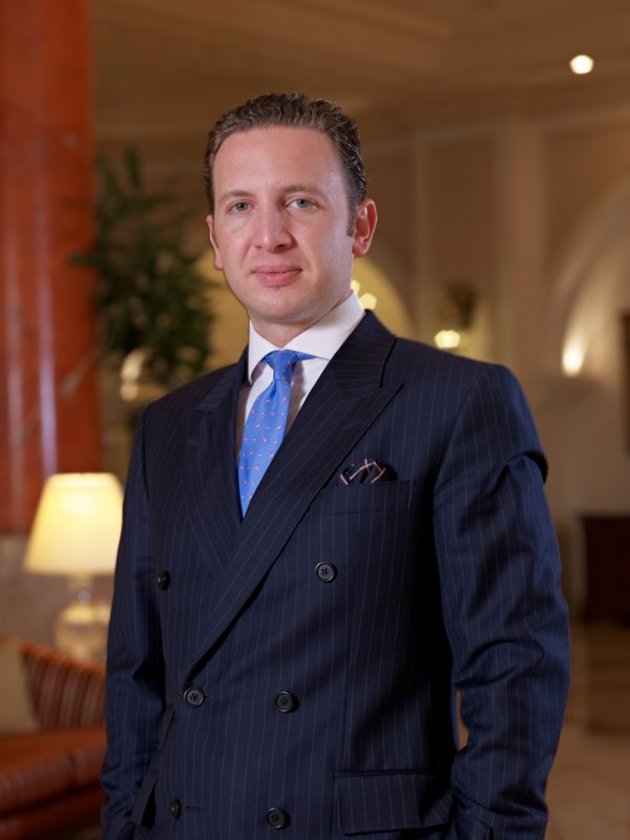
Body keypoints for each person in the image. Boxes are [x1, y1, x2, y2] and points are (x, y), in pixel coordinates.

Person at [101, 92, 570, 840]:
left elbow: (515, 666)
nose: (270, 235)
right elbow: (136, 669)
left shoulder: (458, 400)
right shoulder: (169, 425)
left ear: (361, 225)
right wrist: (127, 822)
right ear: (216, 238)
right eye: (241, 206)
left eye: (301, 202)